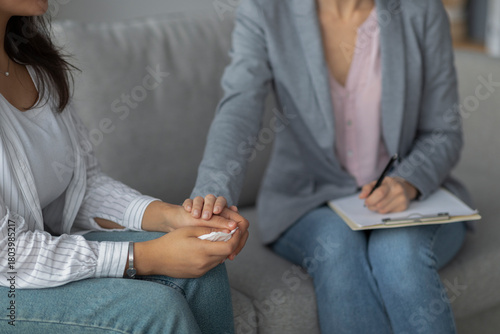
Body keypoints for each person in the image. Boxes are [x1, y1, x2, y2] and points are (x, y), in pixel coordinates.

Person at [183, 0, 472, 333]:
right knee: (337, 246)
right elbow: (239, 108)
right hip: (308, 198)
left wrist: (407, 181)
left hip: (408, 202)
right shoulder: (266, 10)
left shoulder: (421, 11)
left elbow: (443, 131)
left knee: (399, 252)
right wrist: (212, 193)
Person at [0, 1, 249, 333]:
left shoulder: (33, 62)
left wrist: (173, 217)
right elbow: (7, 255)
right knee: (154, 309)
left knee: (206, 269)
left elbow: (81, 185)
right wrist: (146, 256)